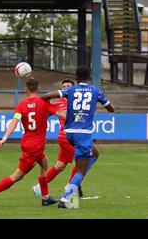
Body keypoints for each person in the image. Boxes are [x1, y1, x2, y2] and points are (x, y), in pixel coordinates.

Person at [0, 78, 66, 207]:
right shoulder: (44, 103)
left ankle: (45, 197)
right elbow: (62, 115)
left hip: (28, 143)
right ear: (38, 88)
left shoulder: (22, 105)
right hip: (35, 147)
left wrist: (4, 138)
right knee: (17, 176)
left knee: (44, 163)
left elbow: (14, 121)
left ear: (26, 89)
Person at [40, 66, 114, 208]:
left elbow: (48, 96)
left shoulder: (71, 90)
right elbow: (111, 108)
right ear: (89, 77)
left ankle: (75, 181)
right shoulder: (95, 90)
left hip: (69, 133)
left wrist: (40, 100)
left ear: (76, 77)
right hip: (83, 134)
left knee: (95, 153)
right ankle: (66, 198)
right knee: (80, 169)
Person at [32, 79, 85, 198]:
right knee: (82, 160)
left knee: (60, 165)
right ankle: (70, 186)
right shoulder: (57, 104)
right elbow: (44, 113)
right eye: (64, 86)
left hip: (72, 137)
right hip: (66, 137)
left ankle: (39, 187)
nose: (66, 88)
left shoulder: (78, 102)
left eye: (68, 86)